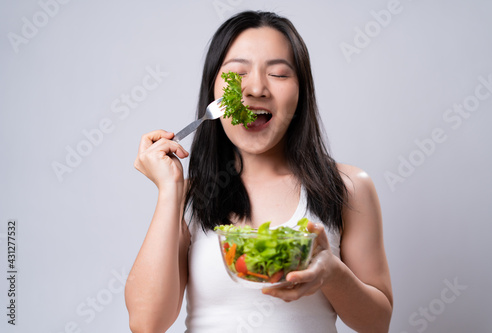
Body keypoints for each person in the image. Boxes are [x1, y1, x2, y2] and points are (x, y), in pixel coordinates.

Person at [125, 10, 393, 333]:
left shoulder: (349, 187)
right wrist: (170, 191)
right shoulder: (189, 196)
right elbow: (146, 324)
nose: (255, 89)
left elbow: (377, 323)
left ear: (301, 93)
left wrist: (333, 274)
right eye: (237, 73)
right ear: (214, 91)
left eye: (279, 74)